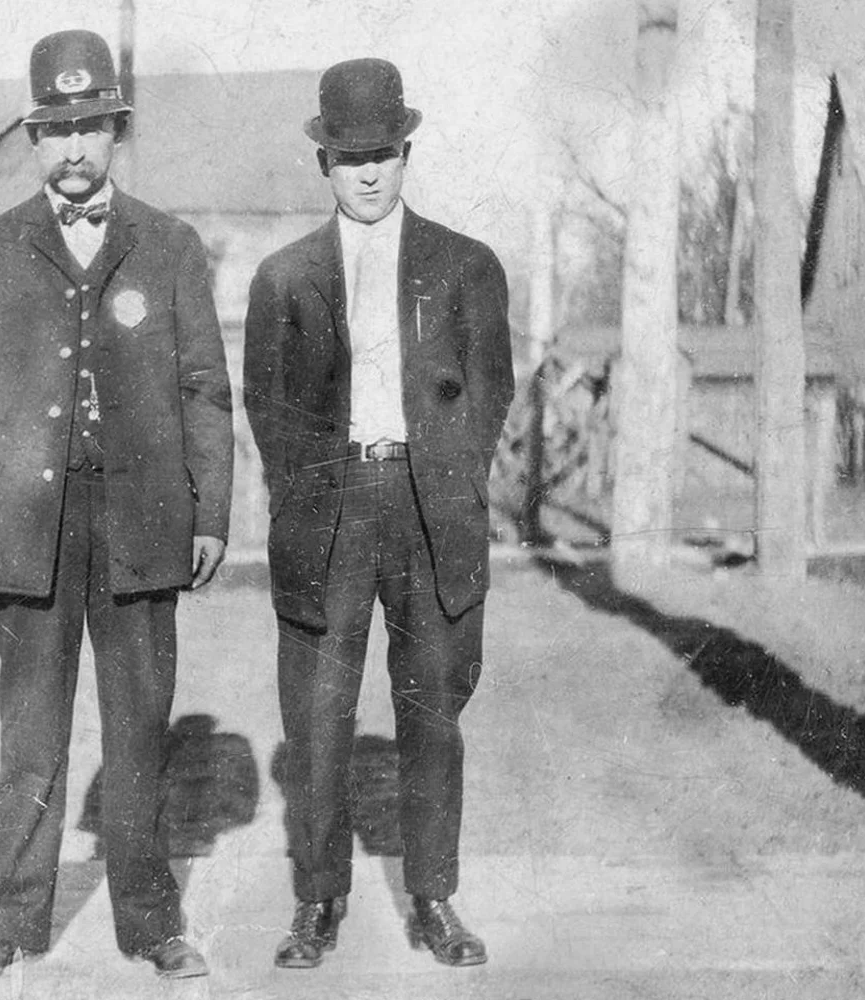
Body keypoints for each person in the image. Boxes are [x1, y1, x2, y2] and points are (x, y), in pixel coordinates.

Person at [0, 28, 234, 983]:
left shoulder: (170, 247)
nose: (72, 148)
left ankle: (153, 923)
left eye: (90, 128)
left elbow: (205, 392)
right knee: (31, 737)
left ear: (116, 132)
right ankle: (11, 922)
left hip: (143, 526)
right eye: (55, 131)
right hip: (26, 530)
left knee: (139, 731)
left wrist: (212, 514)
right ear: (32, 138)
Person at [242, 56, 514, 970]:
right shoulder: (284, 277)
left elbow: (490, 389)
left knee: (432, 708)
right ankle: (318, 902)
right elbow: (268, 406)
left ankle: (434, 898)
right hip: (328, 508)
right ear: (323, 161)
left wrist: (453, 476)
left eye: (383, 154)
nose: (368, 173)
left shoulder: (466, 265)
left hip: (431, 508)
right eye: (350, 157)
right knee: (319, 716)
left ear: (406, 154)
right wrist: (307, 491)